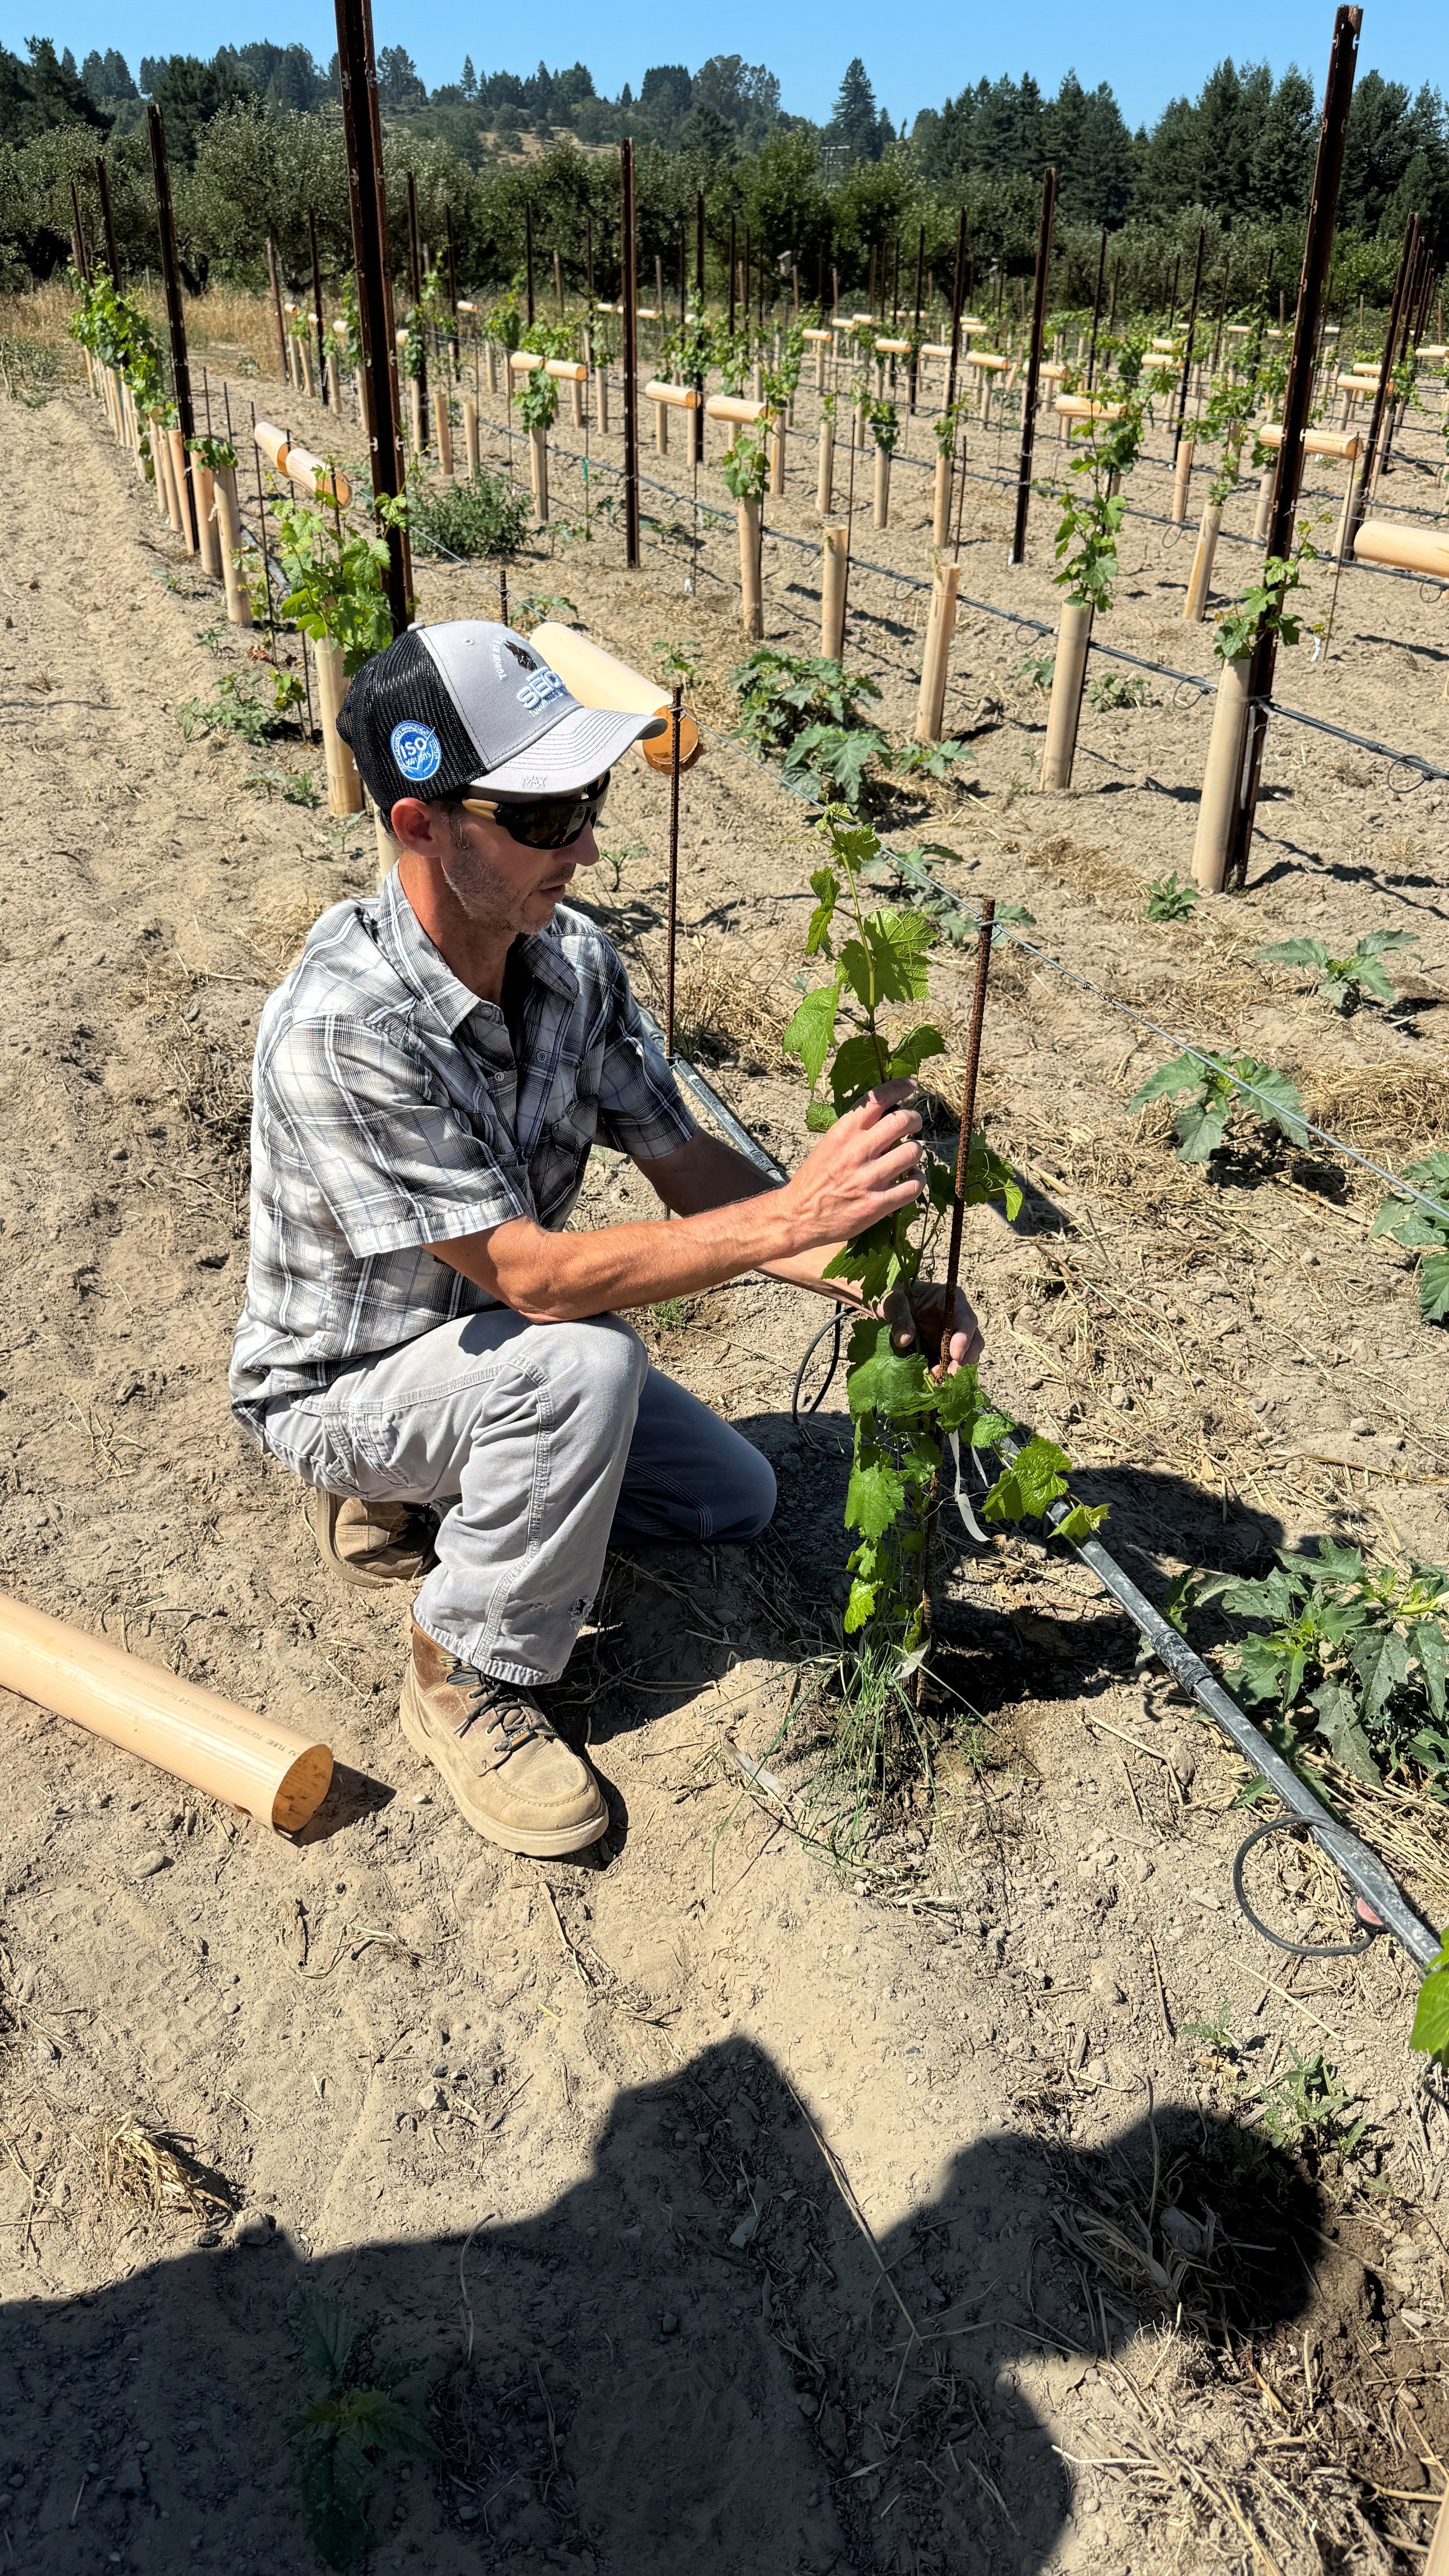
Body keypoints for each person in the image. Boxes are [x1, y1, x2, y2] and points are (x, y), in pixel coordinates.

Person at [230, 619, 981, 1859]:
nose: (581, 843)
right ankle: (463, 1668)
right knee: (584, 1362)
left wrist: (871, 1277)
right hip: (345, 1381)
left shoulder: (569, 960)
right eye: (539, 816)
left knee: (729, 1498)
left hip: (485, 1353)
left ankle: (448, 1482)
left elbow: (685, 1163)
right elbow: (529, 1274)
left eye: (588, 798)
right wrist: (797, 1211)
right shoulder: (342, 1026)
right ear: (419, 825)